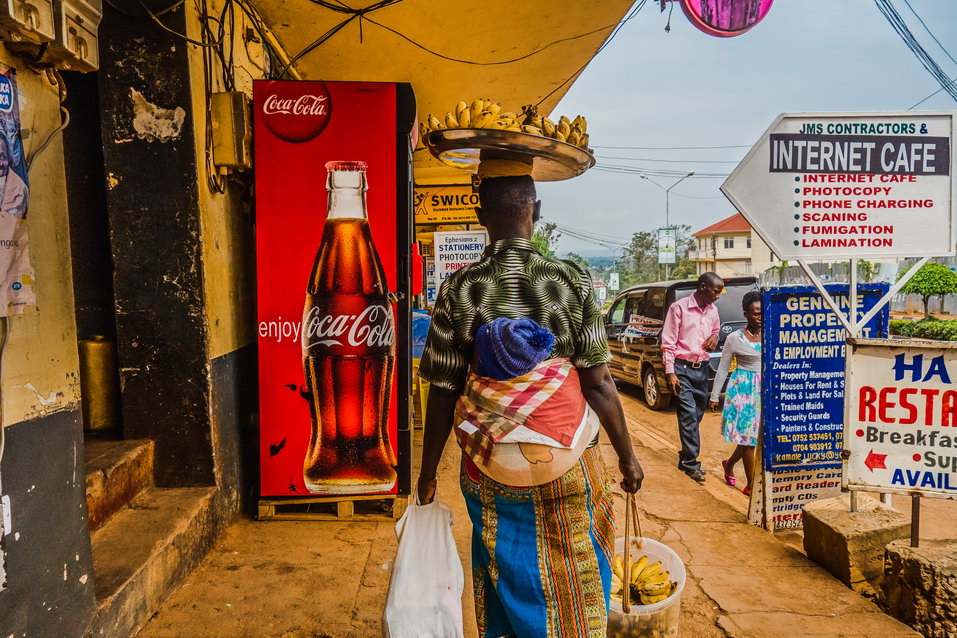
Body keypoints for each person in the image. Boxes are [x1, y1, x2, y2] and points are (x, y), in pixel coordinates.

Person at [416, 171, 643, 638]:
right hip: (569, 463)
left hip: (490, 466)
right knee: (579, 566)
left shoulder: (459, 287)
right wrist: (627, 456)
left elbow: (443, 390)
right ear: (536, 213)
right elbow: (598, 382)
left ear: (481, 217)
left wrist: (425, 475)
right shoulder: (570, 279)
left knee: (505, 570)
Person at [662, 272, 724, 483]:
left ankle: (685, 457)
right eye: (716, 291)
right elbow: (668, 342)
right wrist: (670, 372)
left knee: (697, 414)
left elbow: (716, 329)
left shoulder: (713, 310)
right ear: (703, 287)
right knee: (688, 415)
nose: (718, 296)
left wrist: (715, 336)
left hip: (702, 368)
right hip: (681, 368)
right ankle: (691, 464)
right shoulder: (678, 308)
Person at [709, 290, 762, 496]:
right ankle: (751, 485)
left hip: (764, 389)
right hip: (743, 390)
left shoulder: (772, 334)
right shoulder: (734, 338)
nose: (759, 317)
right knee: (749, 440)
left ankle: (729, 464)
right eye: (755, 313)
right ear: (745, 314)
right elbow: (722, 368)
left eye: (762, 313)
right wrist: (714, 396)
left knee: (751, 438)